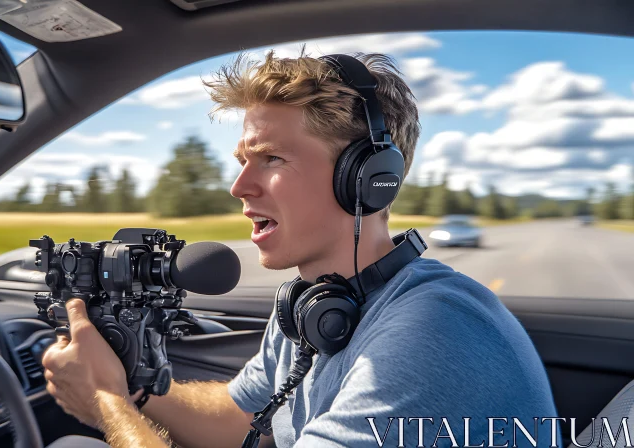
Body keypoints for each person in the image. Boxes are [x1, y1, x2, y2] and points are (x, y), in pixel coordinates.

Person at [41, 49, 560, 448]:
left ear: (367, 181)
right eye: (242, 160)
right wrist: (134, 390)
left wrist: (107, 402)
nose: (239, 186)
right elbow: (239, 417)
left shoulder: (433, 335)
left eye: (270, 159)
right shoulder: (314, 302)